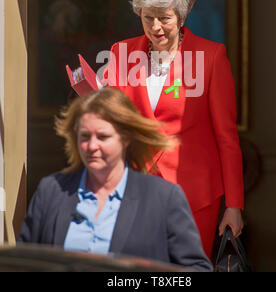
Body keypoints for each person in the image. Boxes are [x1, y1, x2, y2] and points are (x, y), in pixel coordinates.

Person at [87, 0, 244, 258]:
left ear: (181, 17)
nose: (156, 27)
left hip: (194, 193)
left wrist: (234, 206)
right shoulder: (121, 53)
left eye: (165, 18)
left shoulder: (210, 57)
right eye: (148, 18)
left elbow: (227, 136)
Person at [18, 88, 212, 271]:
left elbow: (195, 268)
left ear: (125, 139)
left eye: (102, 137)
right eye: (84, 136)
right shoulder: (52, 190)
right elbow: (22, 263)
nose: (91, 146)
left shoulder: (163, 198)